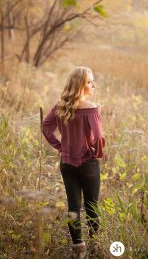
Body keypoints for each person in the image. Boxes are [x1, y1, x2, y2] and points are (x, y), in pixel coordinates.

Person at [42, 66, 106, 259]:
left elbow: (46, 127)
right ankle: (95, 246)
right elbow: (99, 138)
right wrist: (97, 153)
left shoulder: (61, 106)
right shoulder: (91, 109)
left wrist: (60, 146)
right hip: (88, 163)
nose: (93, 84)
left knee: (73, 206)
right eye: (89, 81)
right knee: (92, 205)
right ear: (80, 85)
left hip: (67, 164)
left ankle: (79, 249)